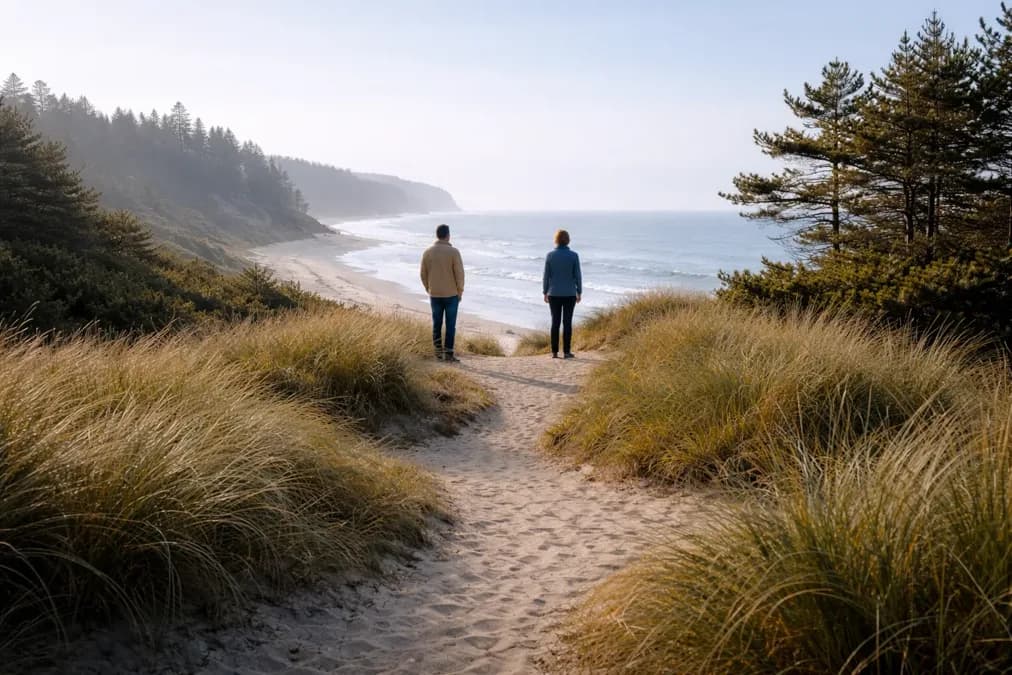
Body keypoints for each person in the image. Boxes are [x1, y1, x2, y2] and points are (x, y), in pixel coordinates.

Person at [420, 223, 465, 362]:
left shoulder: (427, 252)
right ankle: (449, 355)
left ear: (437, 235)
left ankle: (438, 353)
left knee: (437, 324)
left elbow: (423, 274)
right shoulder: (454, 252)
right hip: (451, 294)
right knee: (450, 325)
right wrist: (460, 291)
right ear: (448, 235)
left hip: (435, 294)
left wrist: (429, 288)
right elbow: (460, 274)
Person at [542, 228, 582, 359]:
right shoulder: (574, 256)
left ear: (556, 240)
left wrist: (545, 291)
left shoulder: (550, 255)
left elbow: (546, 276)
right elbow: (578, 276)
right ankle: (566, 351)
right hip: (570, 293)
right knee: (567, 323)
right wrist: (579, 291)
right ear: (568, 240)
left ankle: (554, 352)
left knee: (555, 322)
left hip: (553, 293)